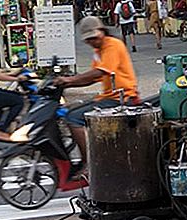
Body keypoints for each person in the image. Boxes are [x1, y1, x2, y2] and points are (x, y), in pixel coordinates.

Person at [54, 16, 139, 177]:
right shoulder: (98, 51)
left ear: (102, 31)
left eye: (94, 37)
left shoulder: (112, 45)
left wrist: (69, 79)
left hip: (122, 98)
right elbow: (92, 78)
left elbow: (100, 72)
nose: (92, 41)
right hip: (108, 97)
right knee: (69, 111)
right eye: (89, 40)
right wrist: (66, 84)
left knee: (74, 118)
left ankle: (89, 164)